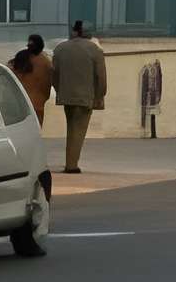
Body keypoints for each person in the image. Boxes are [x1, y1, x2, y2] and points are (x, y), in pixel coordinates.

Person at [51, 19, 107, 174]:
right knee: (79, 131)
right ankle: (72, 165)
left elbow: (54, 74)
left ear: (75, 31)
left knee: (71, 129)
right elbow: (101, 77)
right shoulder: (94, 50)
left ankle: (70, 162)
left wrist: (59, 90)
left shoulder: (60, 48)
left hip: (66, 96)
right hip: (85, 97)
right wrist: (99, 96)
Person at [9, 33, 54, 124]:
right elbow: (49, 84)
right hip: (37, 106)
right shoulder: (46, 62)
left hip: (19, 105)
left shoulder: (20, 58)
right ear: (41, 46)